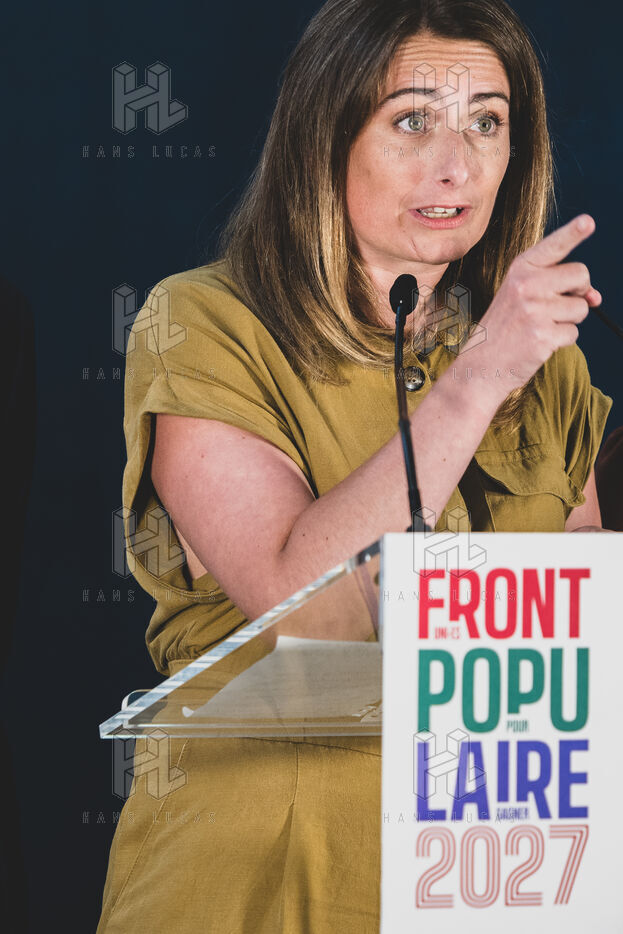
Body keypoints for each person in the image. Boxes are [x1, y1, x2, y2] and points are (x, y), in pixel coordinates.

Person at [96, 0, 613, 931]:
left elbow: (576, 653)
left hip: (489, 878)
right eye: (412, 120)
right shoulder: (204, 324)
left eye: (486, 122)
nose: (455, 164)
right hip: (267, 870)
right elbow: (306, 606)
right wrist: (480, 373)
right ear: (324, 136)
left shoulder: (548, 363)